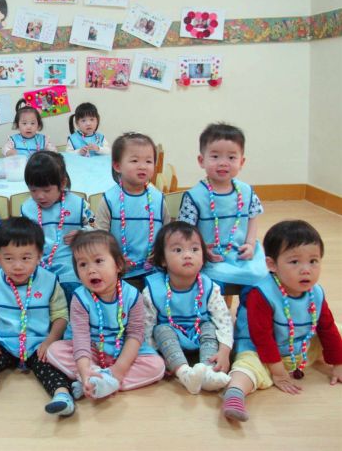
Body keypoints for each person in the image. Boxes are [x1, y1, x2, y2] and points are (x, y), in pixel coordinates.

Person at [0, 218, 75, 422]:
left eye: (26, 258)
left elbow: (60, 315)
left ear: (39, 256)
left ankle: (63, 396)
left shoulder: (50, 281)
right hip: (4, 342)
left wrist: (50, 341)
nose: (18, 266)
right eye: (9, 258)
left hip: (38, 342)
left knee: (52, 364)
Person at [222, 220, 342, 421]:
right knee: (246, 367)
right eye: (294, 262)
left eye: (313, 261)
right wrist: (277, 371)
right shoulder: (261, 293)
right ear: (271, 265)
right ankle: (235, 394)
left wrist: (338, 362)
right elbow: (262, 337)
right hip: (261, 350)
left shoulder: (316, 293)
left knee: (336, 330)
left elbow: (326, 328)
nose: (306, 270)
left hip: (300, 346)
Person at [46, 231, 164, 401]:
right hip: (91, 350)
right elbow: (81, 337)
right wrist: (84, 369)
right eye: (82, 264)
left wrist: (119, 370)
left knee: (157, 366)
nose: (91, 270)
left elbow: (135, 335)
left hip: (122, 350)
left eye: (98, 261)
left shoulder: (133, 296)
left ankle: (103, 382)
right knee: (54, 351)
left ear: (118, 265)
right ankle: (92, 377)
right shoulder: (80, 298)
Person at [143, 222, 233, 394]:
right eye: (178, 250)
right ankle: (184, 373)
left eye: (194, 249)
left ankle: (208, 372)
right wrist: (156, 355)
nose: (187, 255)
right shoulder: (153, 290)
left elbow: (224, 322)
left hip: (199, 334)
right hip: (170, 339)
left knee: (209, 326)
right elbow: (146, 327)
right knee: (161, 329)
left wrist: (224, 352)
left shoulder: (209, 287)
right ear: (163, 260)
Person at [178, 123, 267, 290]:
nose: (223, 163)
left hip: (241, 255)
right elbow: (186, 230)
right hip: (209, 257)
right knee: (208, 285)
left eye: (231, 158)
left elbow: (252, 218)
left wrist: (250, 244)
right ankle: (214, 307)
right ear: (201, 160)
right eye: (215, 156)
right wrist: (200, 249)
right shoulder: (195, 196)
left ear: (242, 162)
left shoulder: (246, 192)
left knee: (260, 282)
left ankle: (247, 307)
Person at [20, 152, 95, 301]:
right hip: (36, 264)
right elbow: (21, 238)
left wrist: (83, 234)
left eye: (47, 190)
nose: (40, 196)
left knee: (72, 290)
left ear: (62, 183)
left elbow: (96, 227)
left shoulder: (78, 205)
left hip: (69, 264)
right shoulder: (27, 208)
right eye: (33, 190)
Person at [95, 132, 167, 285]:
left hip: (154, 271)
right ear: (117, 166)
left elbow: (167, 234)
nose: (142, 166)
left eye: (148, 161)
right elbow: (100, 237)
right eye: (134, 160)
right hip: (118, 272)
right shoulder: (109, 199)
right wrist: (114, 259)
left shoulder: (158, 199)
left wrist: (160, 254)